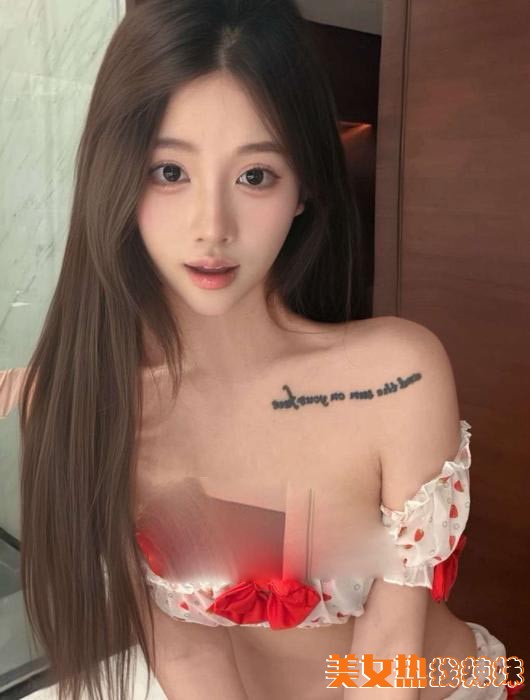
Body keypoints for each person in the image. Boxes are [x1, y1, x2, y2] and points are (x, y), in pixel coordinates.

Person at [0, 1, 522, 698]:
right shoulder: (96, 408)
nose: (211, 226)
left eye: (255, 176)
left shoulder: (396, 375)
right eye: (169, 171)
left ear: (302, 188)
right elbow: (187, 652)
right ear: (115, 176)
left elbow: (390, 649)